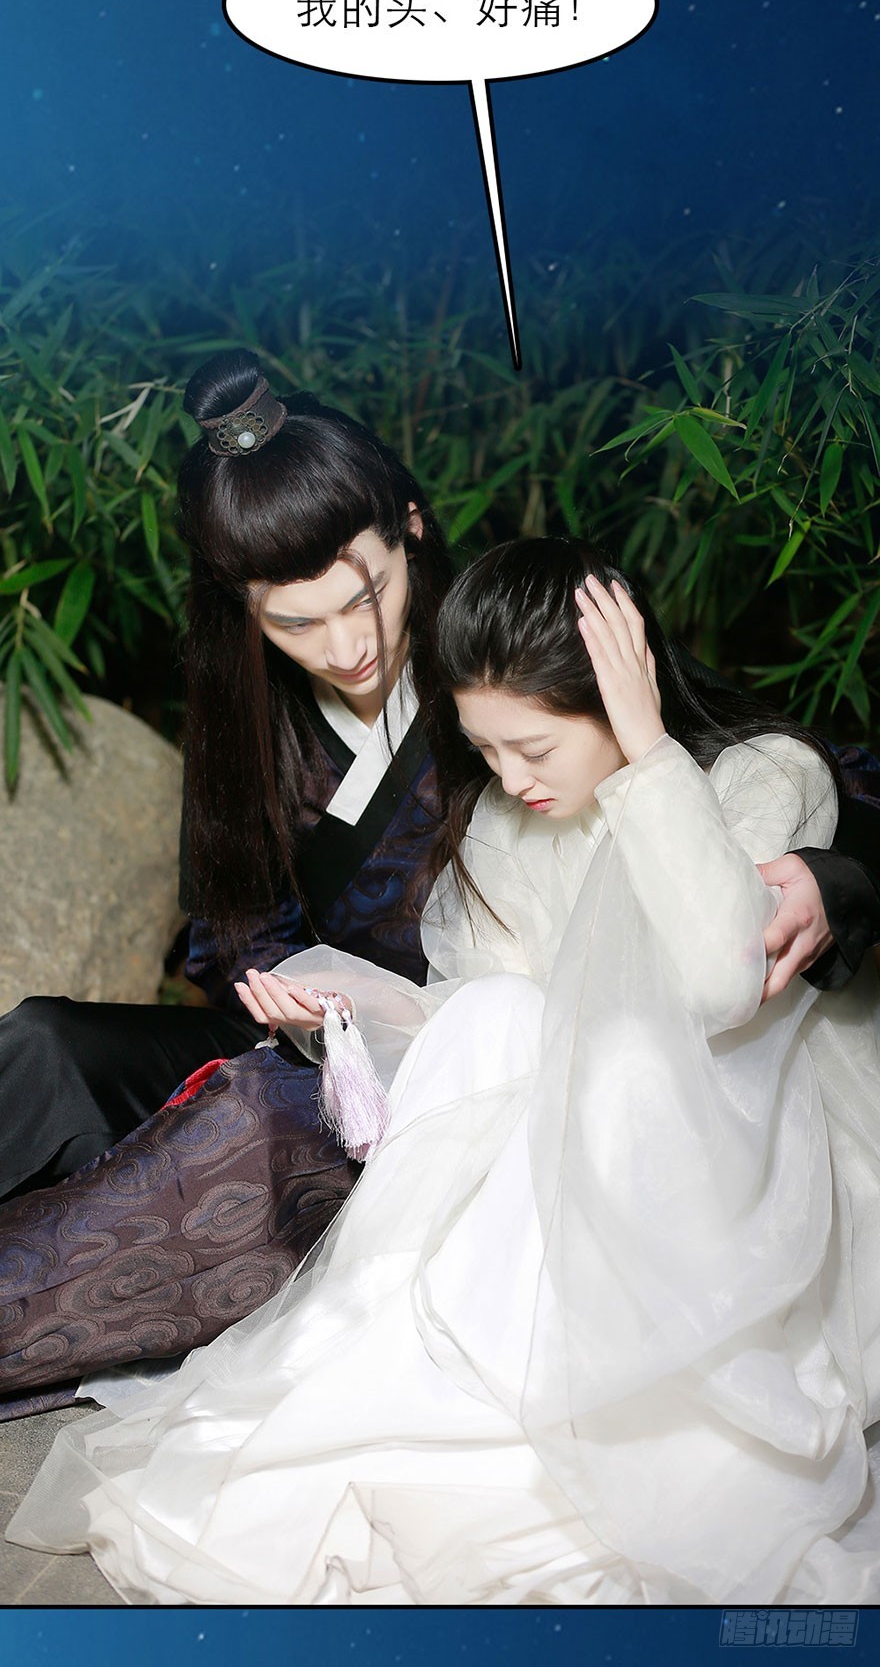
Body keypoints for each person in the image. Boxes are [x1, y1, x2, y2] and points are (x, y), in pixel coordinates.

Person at [8, 539, 879, 1605]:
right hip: (572, 1153)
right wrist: (356, 1003)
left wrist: (649, 755)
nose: (509, 779)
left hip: (730, 1157)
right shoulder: (509, 821)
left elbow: (715, 985)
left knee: (614, 1058)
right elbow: (487, 1018)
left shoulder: (764, 776)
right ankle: (456, 1362)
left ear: (620, 690)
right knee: (497, 1015)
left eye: (533, 746)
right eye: (485, 748)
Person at [0, 357, 877, 1413]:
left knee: (250, 1129)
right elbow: (232, 935)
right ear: (244, 609)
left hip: (461, 1067)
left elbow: (745, 761)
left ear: (410, 526)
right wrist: (297, 999)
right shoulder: (246, 722)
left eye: (364, 595)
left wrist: (835, 877)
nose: (347, 646)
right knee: (47, 1042)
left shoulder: (503, 651)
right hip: (325, 1032)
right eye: (294, 624)